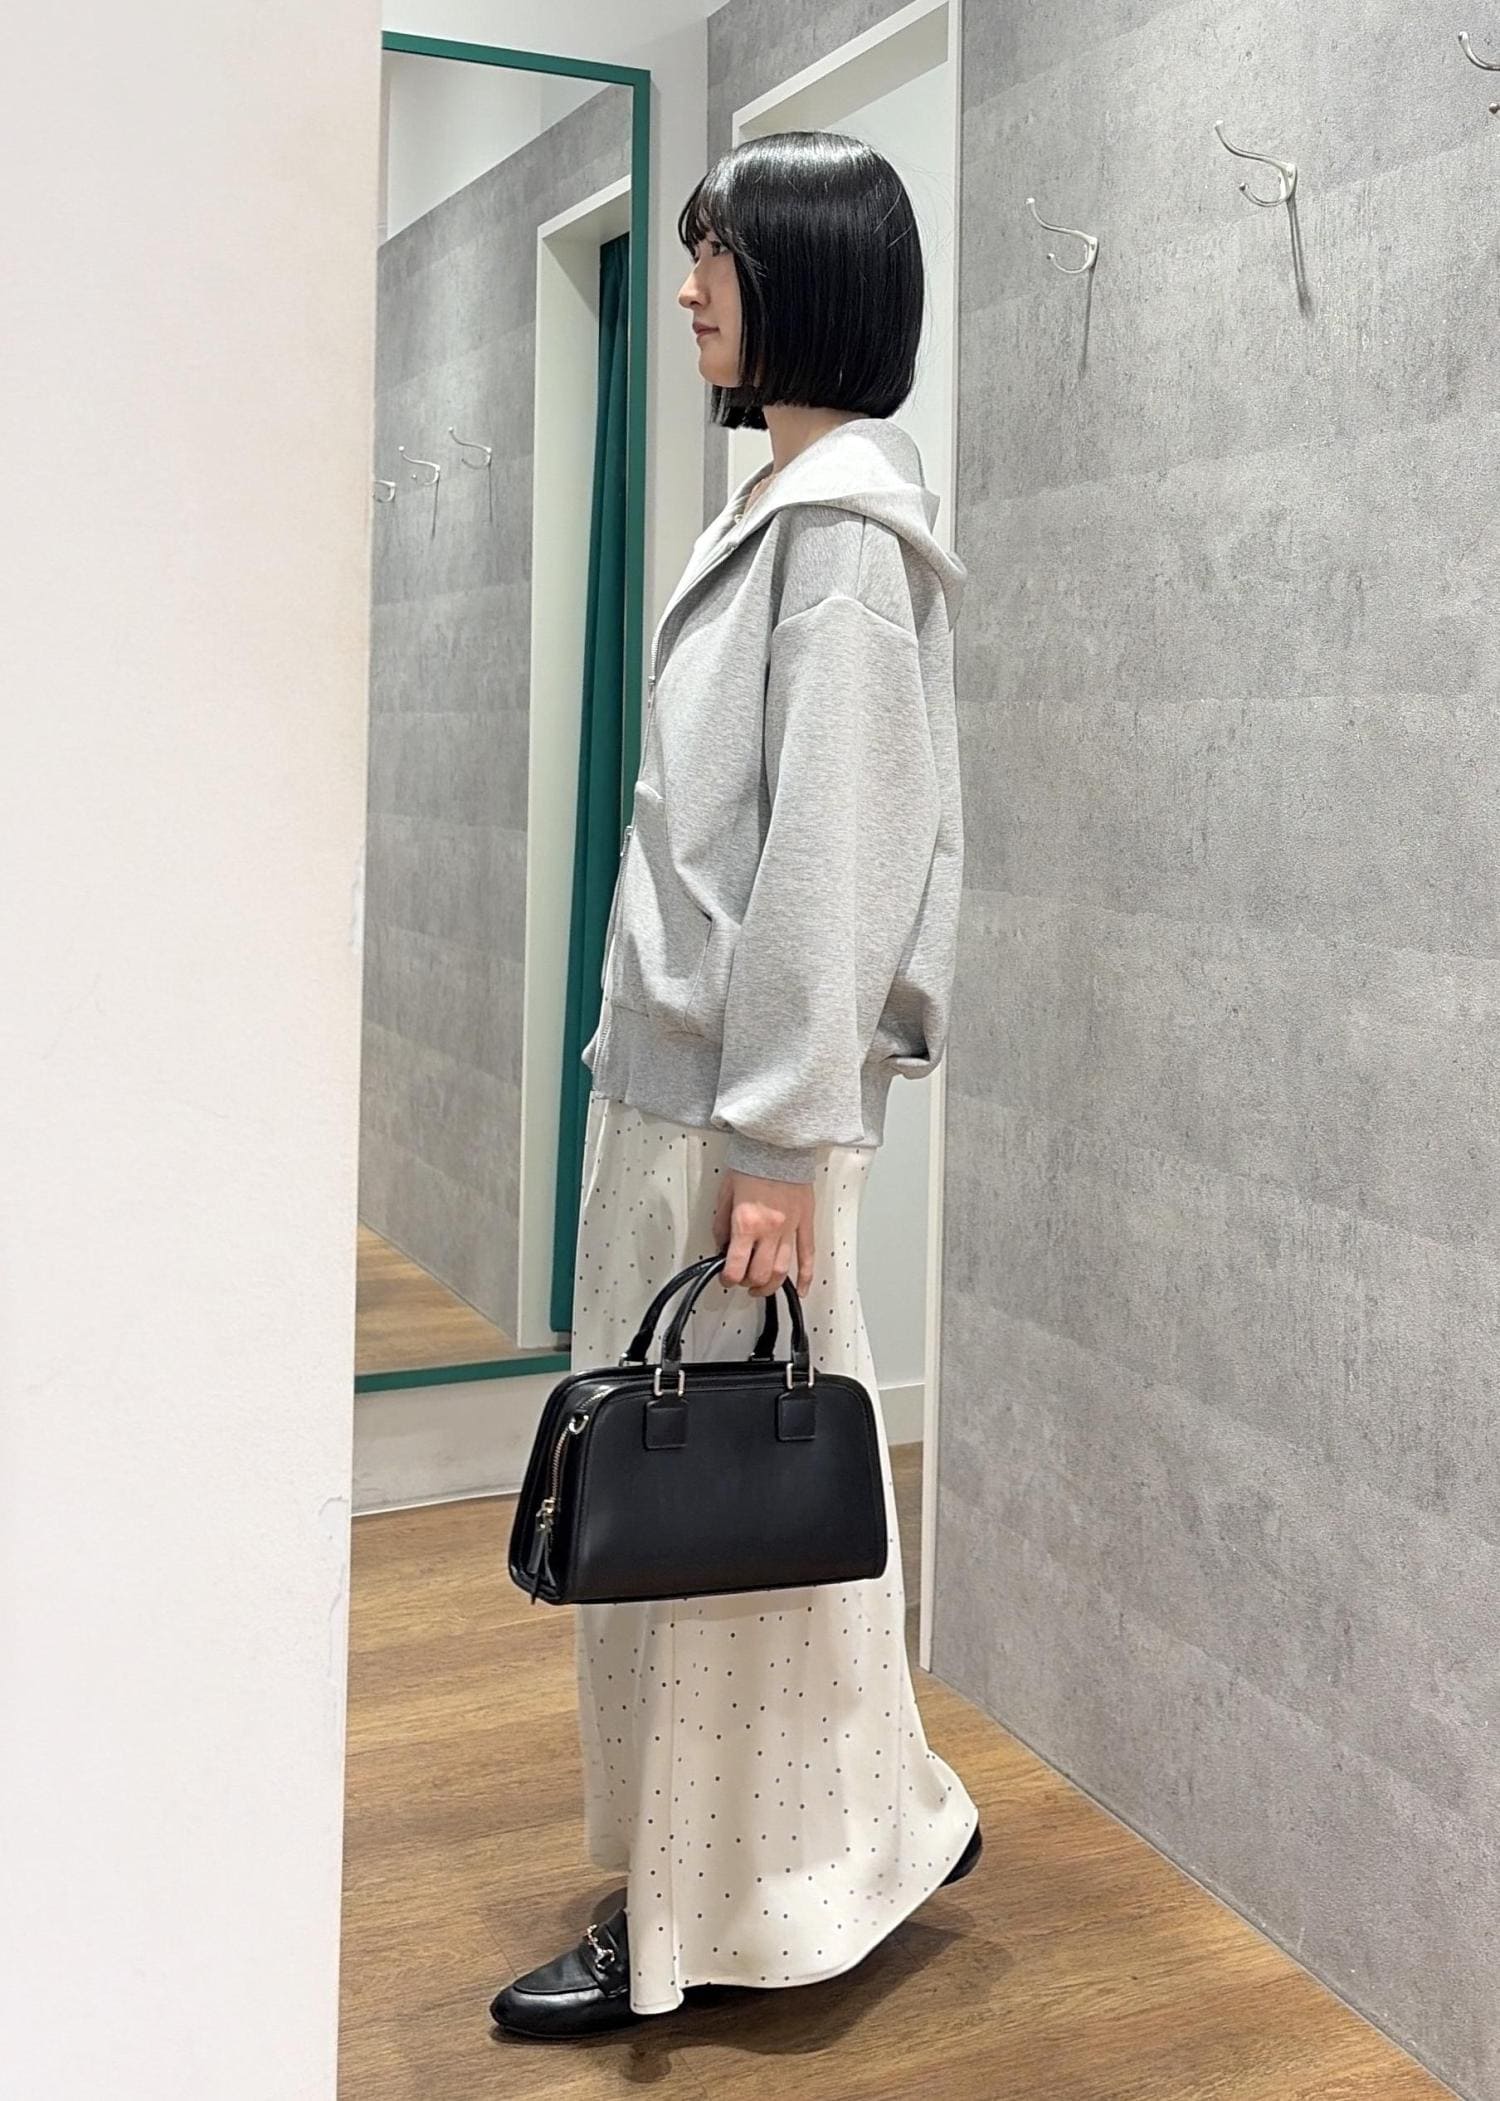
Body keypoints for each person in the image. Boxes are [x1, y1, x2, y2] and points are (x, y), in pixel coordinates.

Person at [489, 129, 980, 2040]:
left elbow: (835, 857)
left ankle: (693, 1915)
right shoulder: (787, 505)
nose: (690, 288)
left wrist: (775, 1133)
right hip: (702, 1095)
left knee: (708, 1510)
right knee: (748, 1493)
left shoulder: (839, 534)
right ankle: (871, 1824)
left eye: (720, 257)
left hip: (734, 1120)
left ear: (812, 281)